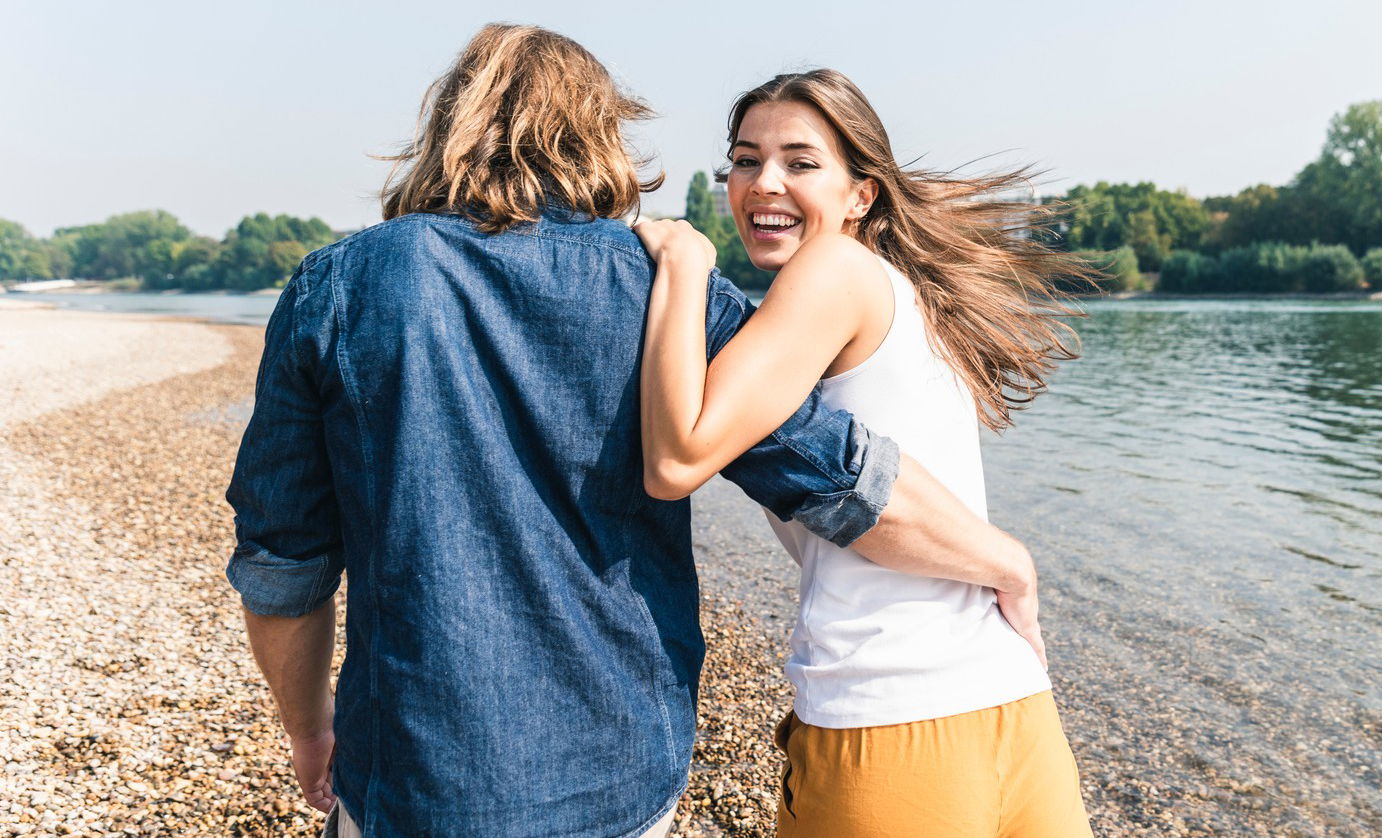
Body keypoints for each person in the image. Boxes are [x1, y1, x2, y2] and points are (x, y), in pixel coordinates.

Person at [226, 26, 1042, 838]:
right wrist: (1003, 561)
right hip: (618, 771)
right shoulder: (659, 284)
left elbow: (283, 560)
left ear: (450, 125)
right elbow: (833, 474)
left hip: (414, 772)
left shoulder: (338, 286)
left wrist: (310, 728)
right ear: (598, 132)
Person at [631, 69, 1093, 838]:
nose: (762, 183)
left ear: (860, 195)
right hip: (1011, 705)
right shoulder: (901, 292)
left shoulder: (835, 269)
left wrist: (683, 266)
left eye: (800, 162)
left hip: (890, 722)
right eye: (745, 160)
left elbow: (677, 461)